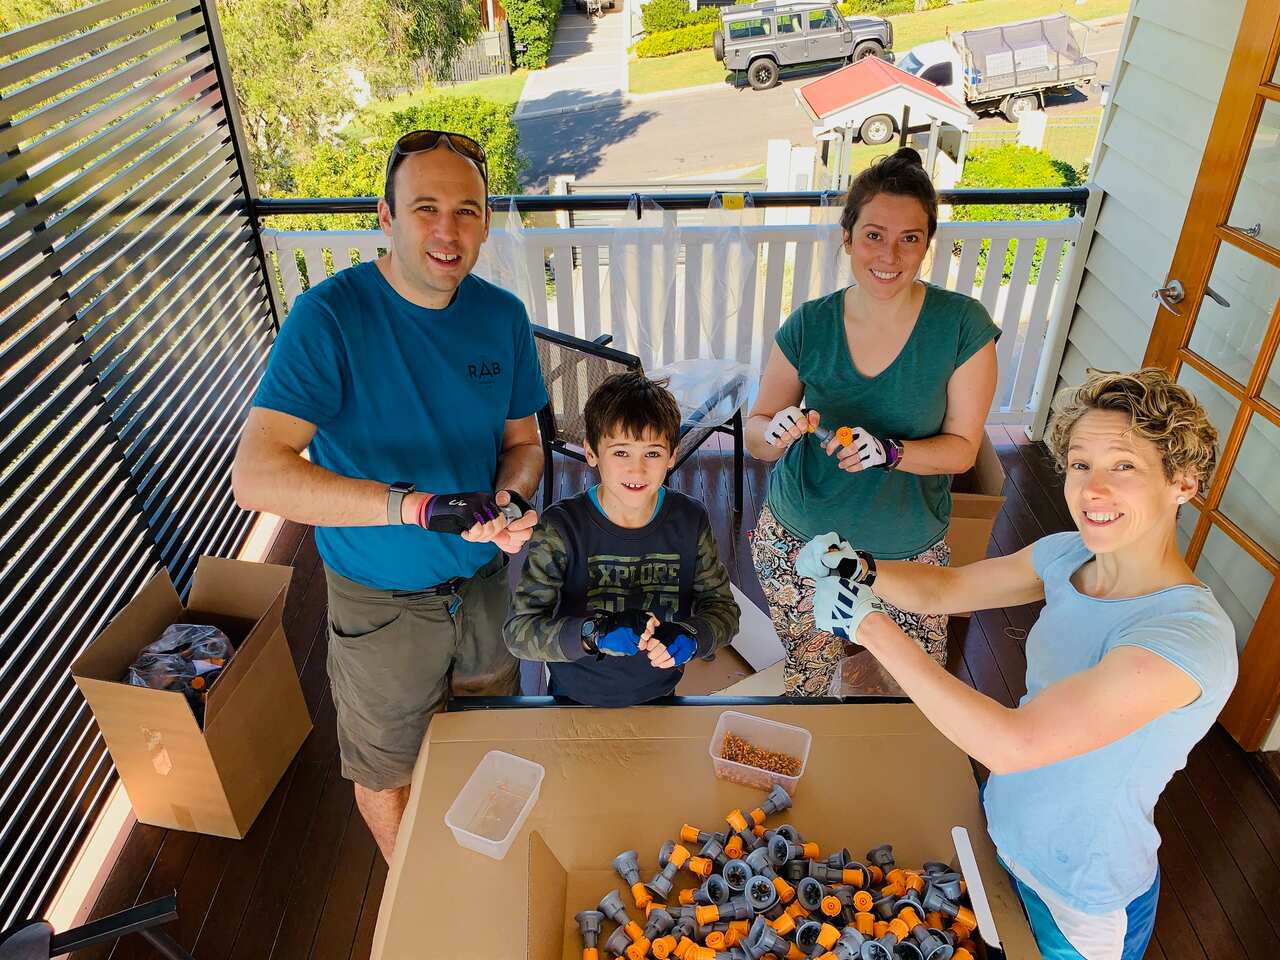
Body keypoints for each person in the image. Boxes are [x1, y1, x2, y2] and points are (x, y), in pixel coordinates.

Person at [805, 368, 1237, 960]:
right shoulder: (1068, 555)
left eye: (1124, 467)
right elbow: (947, 590)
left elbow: (1014, 744)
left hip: (1078, 898)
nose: (1092, 489)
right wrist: (861, 568)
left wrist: (868, 626)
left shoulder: (1186, 638)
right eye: (1081, 464)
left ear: (1183, 483)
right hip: (1002, 830)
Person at [231, 130, 548, 863]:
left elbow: (523, 445)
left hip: (481, 586)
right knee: (387, 771)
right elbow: (256, 474)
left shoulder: (500, 316)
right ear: (387, 214)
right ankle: (416, 900)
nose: (447, 231)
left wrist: (507, 499)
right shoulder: (330, 318)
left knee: (485, 734)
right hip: (379, 600)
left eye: (466, 211)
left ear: (486, 222)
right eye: (425, 208)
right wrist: (412, 506)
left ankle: (475, 870)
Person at [746, 147, 999, 697]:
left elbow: (961, 450)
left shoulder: (961, 326)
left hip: (906, 553)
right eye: (874, 235)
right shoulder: (810, 324)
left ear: (927, 244)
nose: (890, 254)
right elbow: (757, 430)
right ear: (848, 237)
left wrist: (889, 452)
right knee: (809, 673)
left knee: (908, 686)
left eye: (910, 238)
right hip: (798, 541)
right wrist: (777, 431)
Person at [505, 372, 740, 705]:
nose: (637, 470)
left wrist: (693, 635)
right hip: (573, 694)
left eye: (653, 454)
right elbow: (520, 633)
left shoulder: (690, 520)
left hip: (660, 692)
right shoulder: (561, 527)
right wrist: (592, 634)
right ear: (591, 453)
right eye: (620, 453)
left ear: (673, 455)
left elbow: (724, 612)